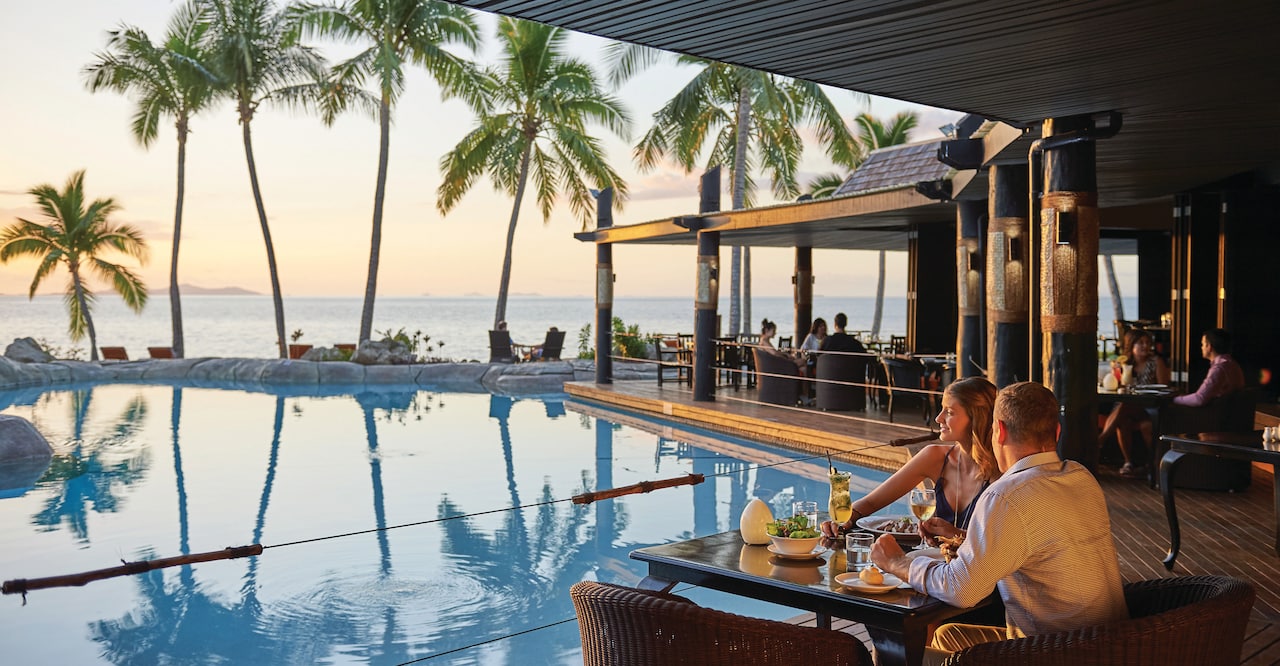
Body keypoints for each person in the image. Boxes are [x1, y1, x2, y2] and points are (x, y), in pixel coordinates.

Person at [871, 382, 1128, 664]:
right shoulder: (1081, 477)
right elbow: (1038, 544)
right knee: (949, 636)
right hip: (1111, 644)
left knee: (891, 653)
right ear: (1057, 432)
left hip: (1052, 653)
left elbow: (962, 590)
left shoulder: (1006, 495)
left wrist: (898, 563)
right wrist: (963, 539)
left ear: (999, 431)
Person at [820, 377, 998, 541]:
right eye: (941, 409)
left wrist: (957, 535)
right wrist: (846, 518)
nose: (938, 418)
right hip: (935, 565)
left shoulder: (1002, 470)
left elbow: (1002, 546)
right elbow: (871, 502)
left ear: (976, 418)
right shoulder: (934, 457)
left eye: (949, 412)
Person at [1099, 329, 1170, 477]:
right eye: (1141, 343)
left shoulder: (1156, 362)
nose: (1145, 346)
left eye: (1147, 343)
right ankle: (1128, 463)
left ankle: (1100, 440)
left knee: (1124, 405)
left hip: (1149, 408)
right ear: (1131, 345)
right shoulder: (1124, 363)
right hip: (1129, 410)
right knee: (1123, 420)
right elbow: (1115, 384)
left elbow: (1164, 388)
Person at [1173, 327, 1243, 407]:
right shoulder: (1232, 364)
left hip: (1215, 417)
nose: (1201, 347)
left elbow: (1199, 399)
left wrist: (1174, 399)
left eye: (1202, 344)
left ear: (1209, 347)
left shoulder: (1219, 368)